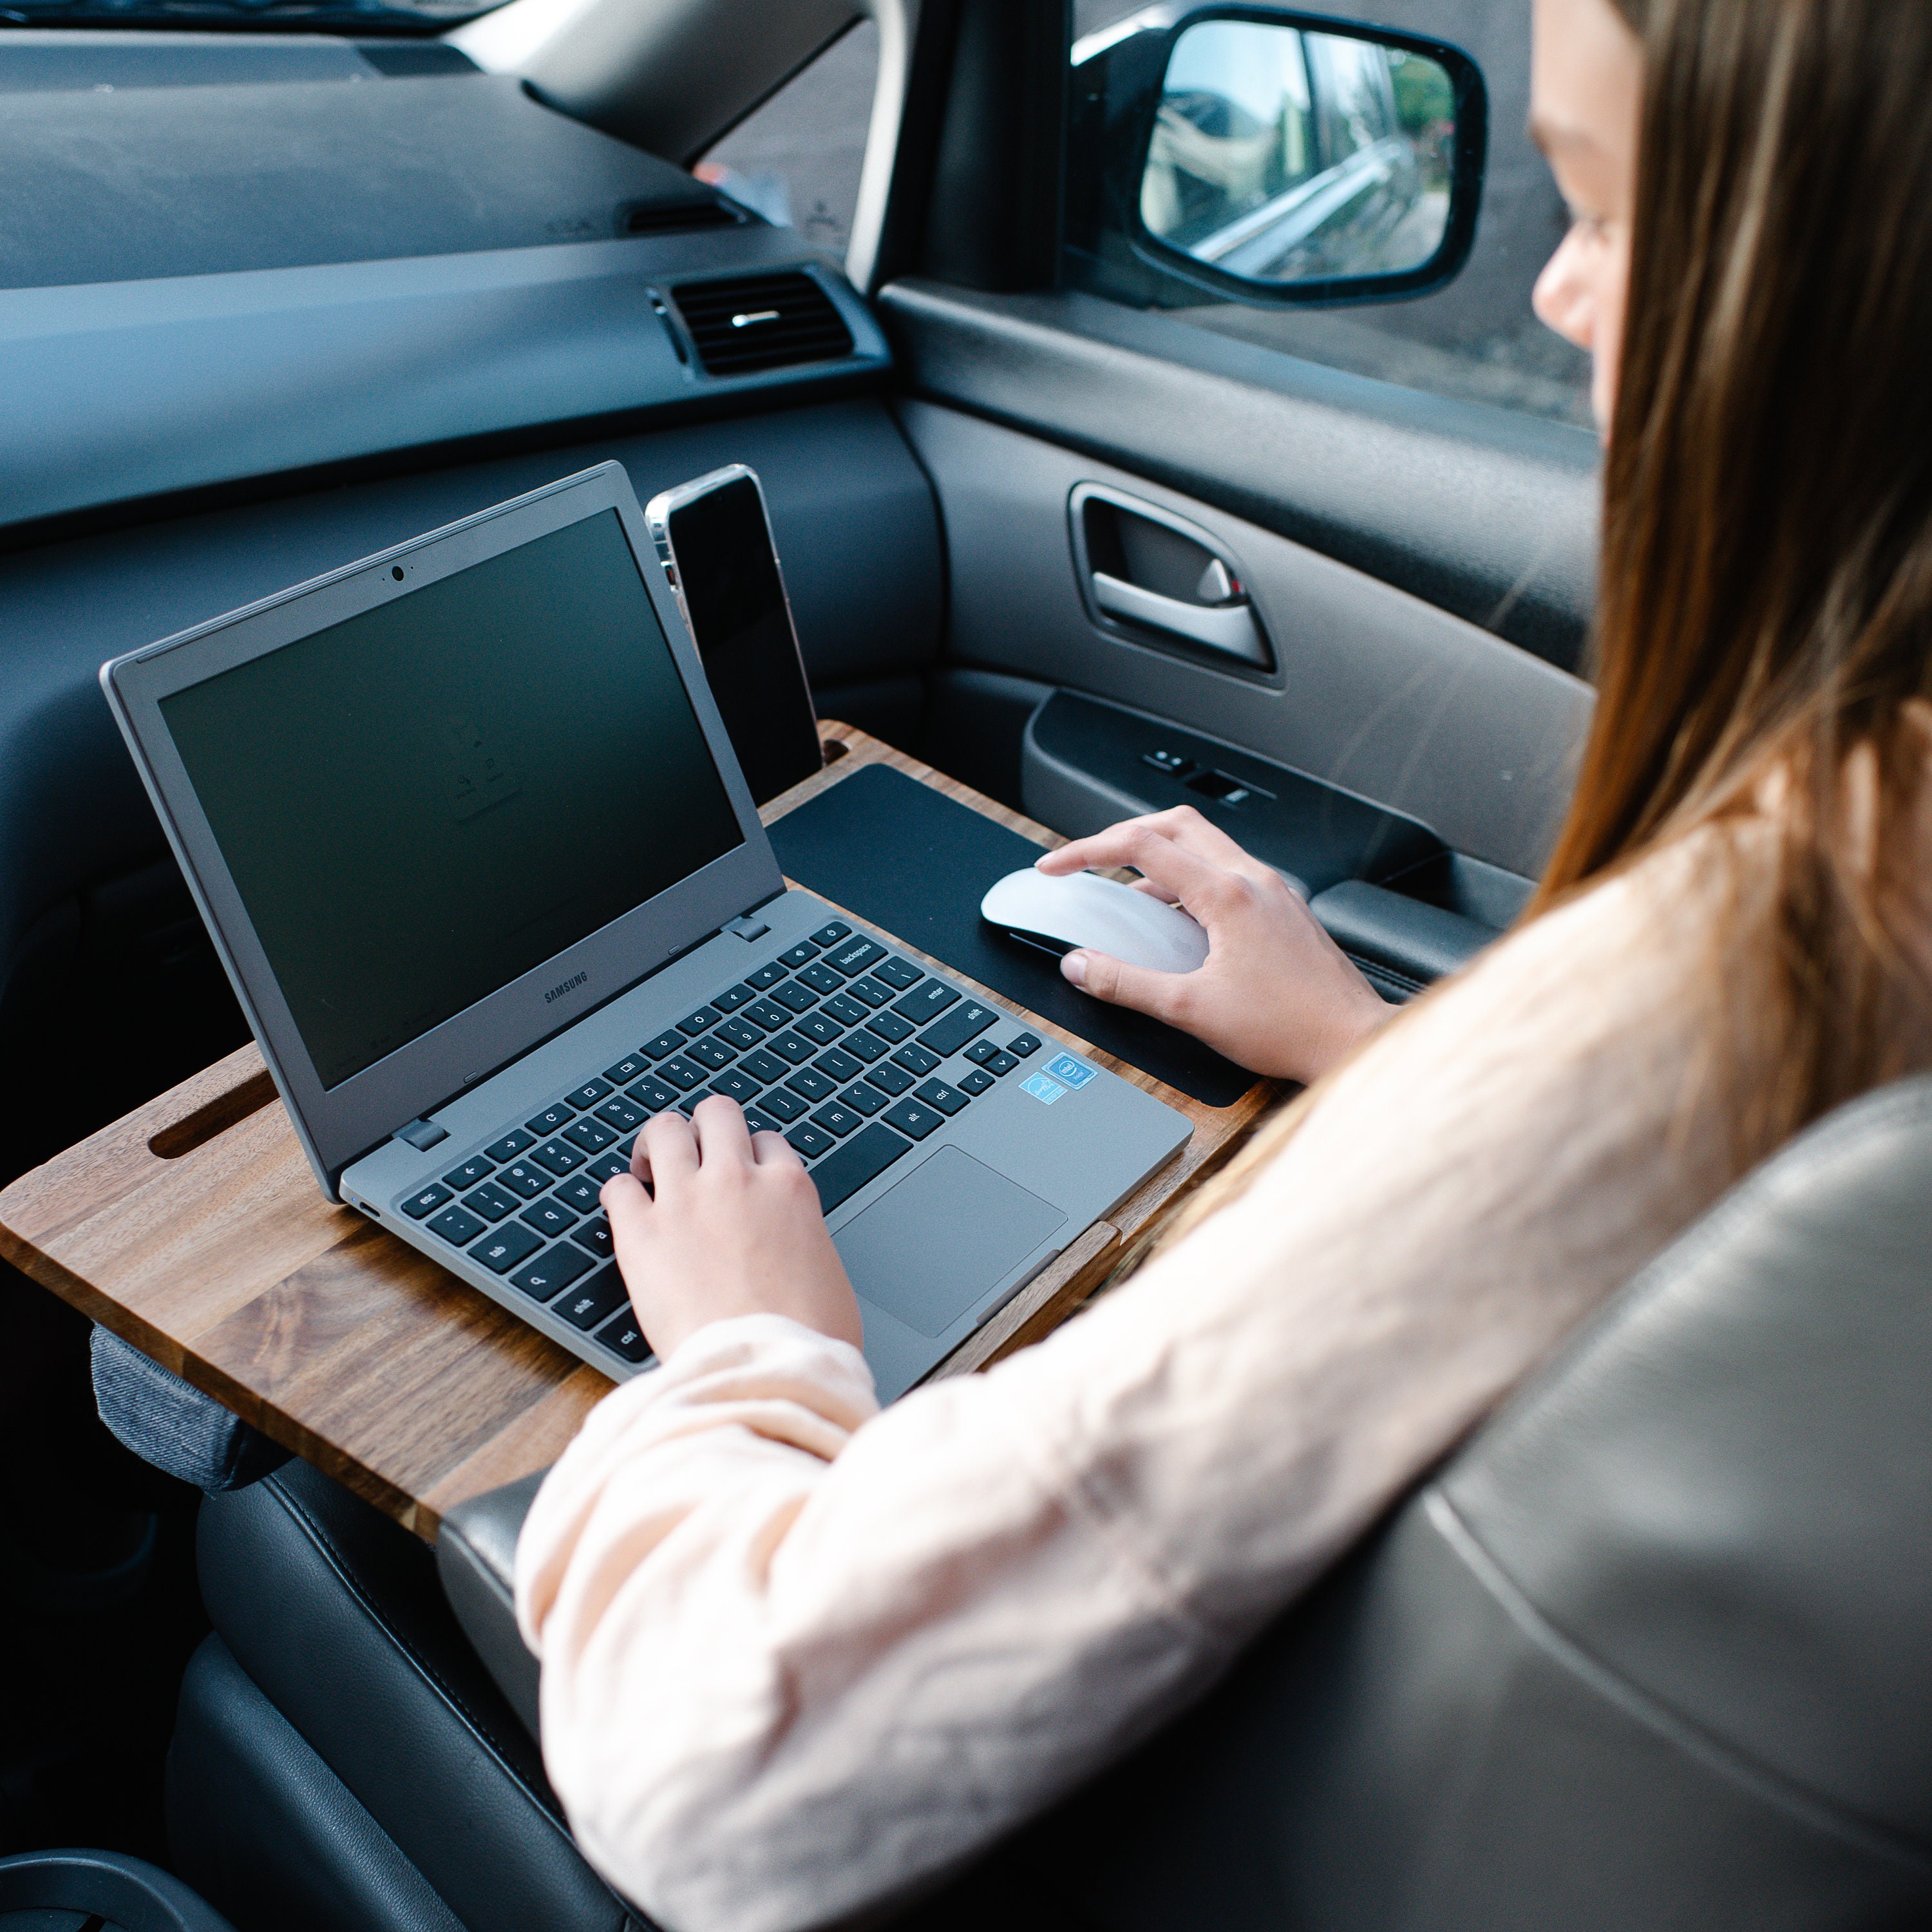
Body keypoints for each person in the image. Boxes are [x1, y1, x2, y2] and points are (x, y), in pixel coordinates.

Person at [515, 2, 1932, 1927]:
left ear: (1839, 295)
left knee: (307, 1540)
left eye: (1606, 208)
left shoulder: (1770, 946)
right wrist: (1377, 1054)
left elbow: (725, 1776)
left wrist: (760, 1357)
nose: (1563, 292)